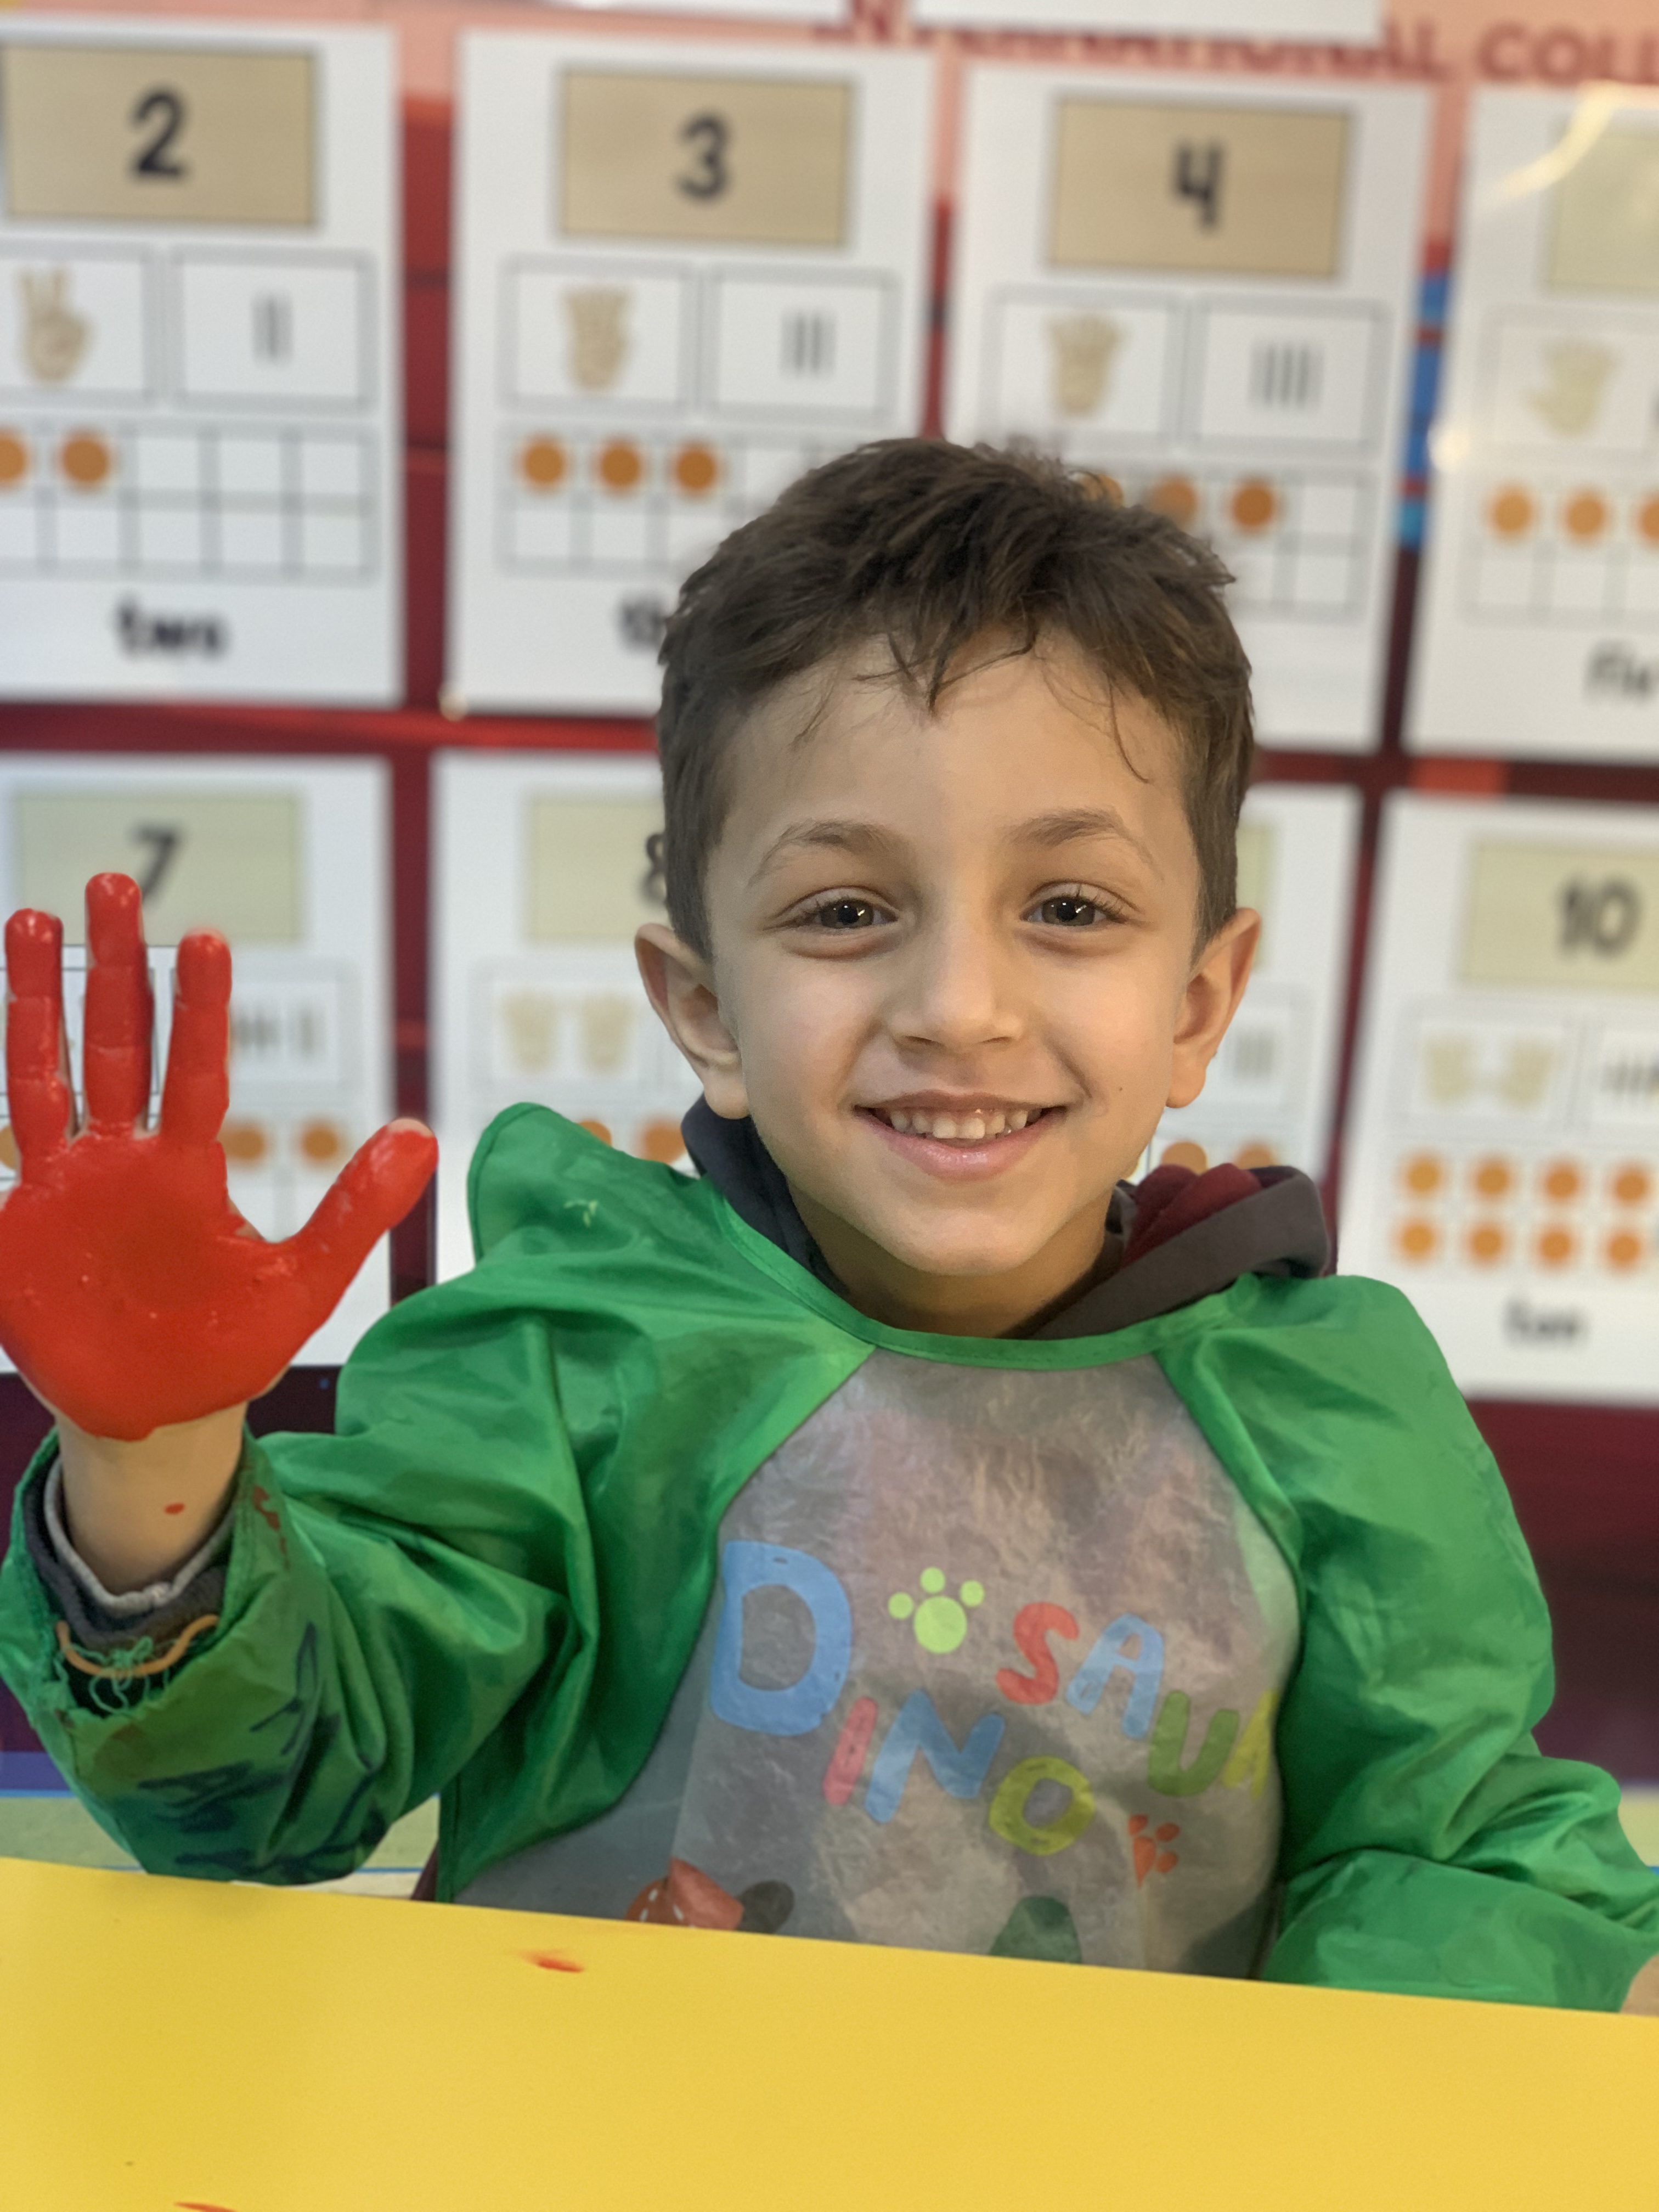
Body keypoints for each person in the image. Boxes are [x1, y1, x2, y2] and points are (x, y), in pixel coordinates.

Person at [1, 442, 1655, 2012]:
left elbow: (1450, 1842)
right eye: (846, 910)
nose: (958, 1006)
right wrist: (152, 1458)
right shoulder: (579, 1358)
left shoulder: (1331, 1414)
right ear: (705, 1008)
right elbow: (259, 1796)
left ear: (1197, 1005)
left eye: (1070, 908)